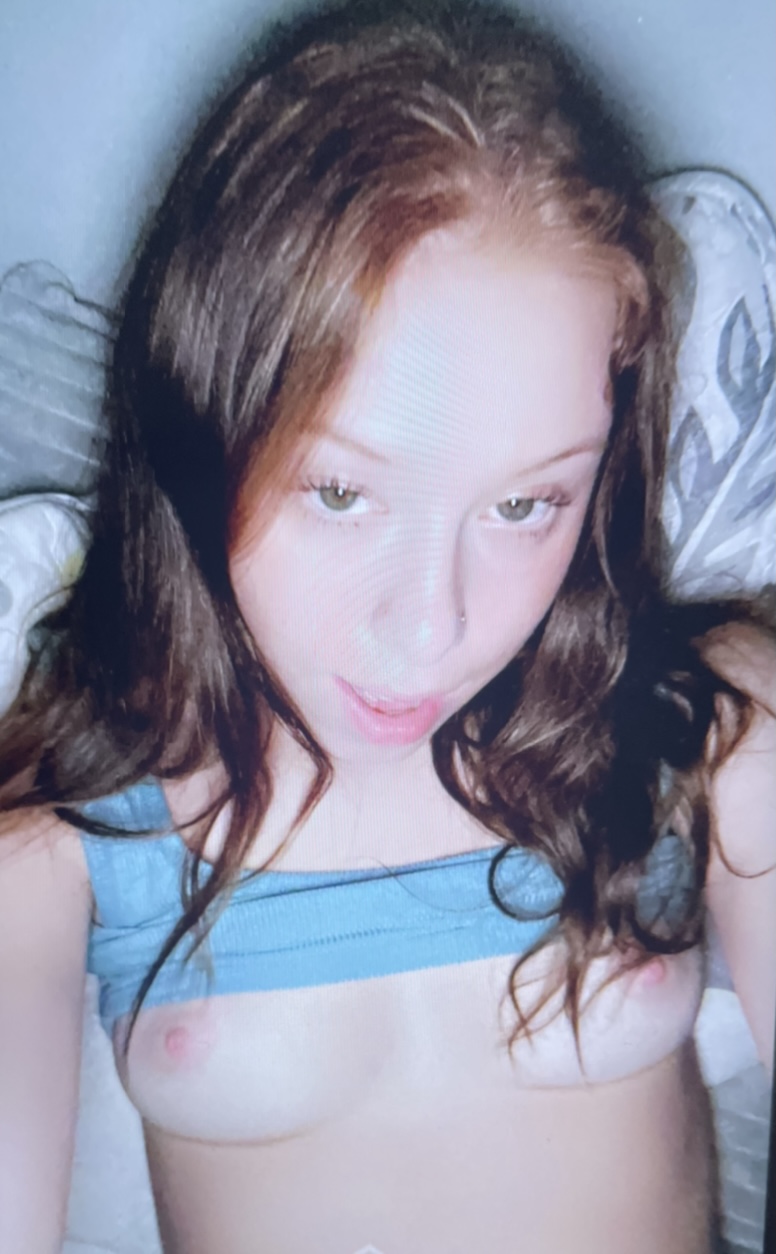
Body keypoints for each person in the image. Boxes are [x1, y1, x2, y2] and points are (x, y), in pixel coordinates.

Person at [0, 1, 774, 1250]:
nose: (429, 632)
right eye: (340, 493)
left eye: (523, 504)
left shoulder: (716, 720)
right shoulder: (65, 827)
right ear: (202, 422)